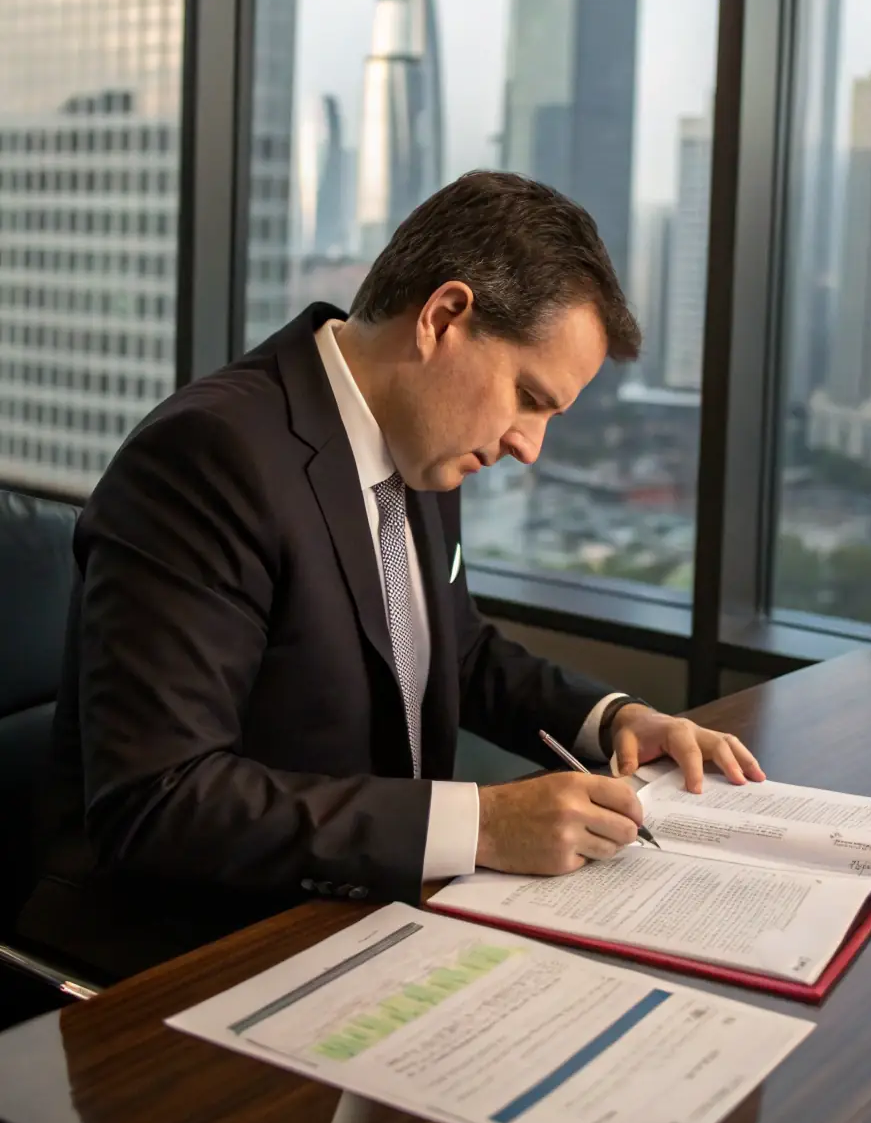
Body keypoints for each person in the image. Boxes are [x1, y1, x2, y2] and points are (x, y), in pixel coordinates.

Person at [20, 171, 763, 979]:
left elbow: (456, 648)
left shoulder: (420, 445)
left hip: (366, 929)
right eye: (528, 397)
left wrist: (614, 716)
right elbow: (160, 801)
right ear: (443, 318)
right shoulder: (209, 458)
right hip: (179, 964)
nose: (529, 446)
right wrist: (478, 825)